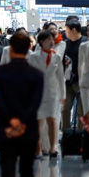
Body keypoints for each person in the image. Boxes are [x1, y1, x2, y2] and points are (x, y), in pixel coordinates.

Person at [0, 33, 44, 177]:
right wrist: (22, 122)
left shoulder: (0, 72)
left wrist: (11, 121)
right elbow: (36, 103)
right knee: (27, 170)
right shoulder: (36, 75)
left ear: (10, 48)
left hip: (5, 129)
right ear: (29, 49)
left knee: (7, 169)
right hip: (28, 129)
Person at [29, 31, 65, 159]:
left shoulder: (57, 57)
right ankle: (38, 148)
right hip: (37, 93)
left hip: (52, 92)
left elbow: (60, 77)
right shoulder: (34, 57)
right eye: (48, 39)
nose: (51, 42)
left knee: (52, 120)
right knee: (38, 121)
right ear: (41, 42)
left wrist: (63, 95)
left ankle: (52, 148)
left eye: (52, 39)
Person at [62, 19, 87, 131]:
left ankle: (80, 134)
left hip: (82, 82)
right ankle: (66, 133)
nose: (65, 32)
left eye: (66, 30)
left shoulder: (85, 43)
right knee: (65, 109)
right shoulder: (65, 44)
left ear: (73, 30)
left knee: (81, 111)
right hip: (68, 83)